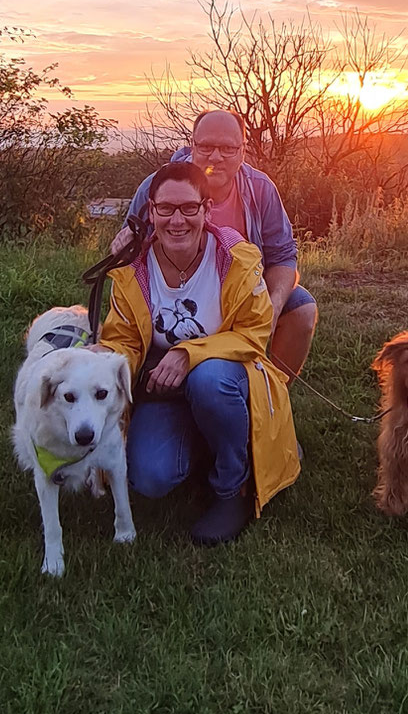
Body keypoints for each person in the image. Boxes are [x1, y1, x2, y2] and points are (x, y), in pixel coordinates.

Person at [99, 160, 300, 545]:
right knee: (149, 478)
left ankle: (231, 489)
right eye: (166, 209)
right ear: (151, 211)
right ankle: (210, 445)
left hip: (226, 378)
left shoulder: (236, 260)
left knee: (209, 380)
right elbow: (123, 338)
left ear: (207, 210)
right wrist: (104, 360)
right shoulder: (132, 268)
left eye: (189, 208)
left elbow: (254, 333)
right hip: (163, 387)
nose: (177, 220)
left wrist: (188, 353)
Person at [117, 110, 318, 378]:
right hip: (176, 298)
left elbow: (283, 255)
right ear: (192, 144)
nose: (216, 157)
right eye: (207, 146)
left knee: (302, 308)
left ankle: (271, 390)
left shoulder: (261, 189)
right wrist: (124, 246)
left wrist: (273, 304)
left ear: (243, 150)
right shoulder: (157, 186)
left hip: (243, 294)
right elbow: (130, 253)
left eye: (227, 148)